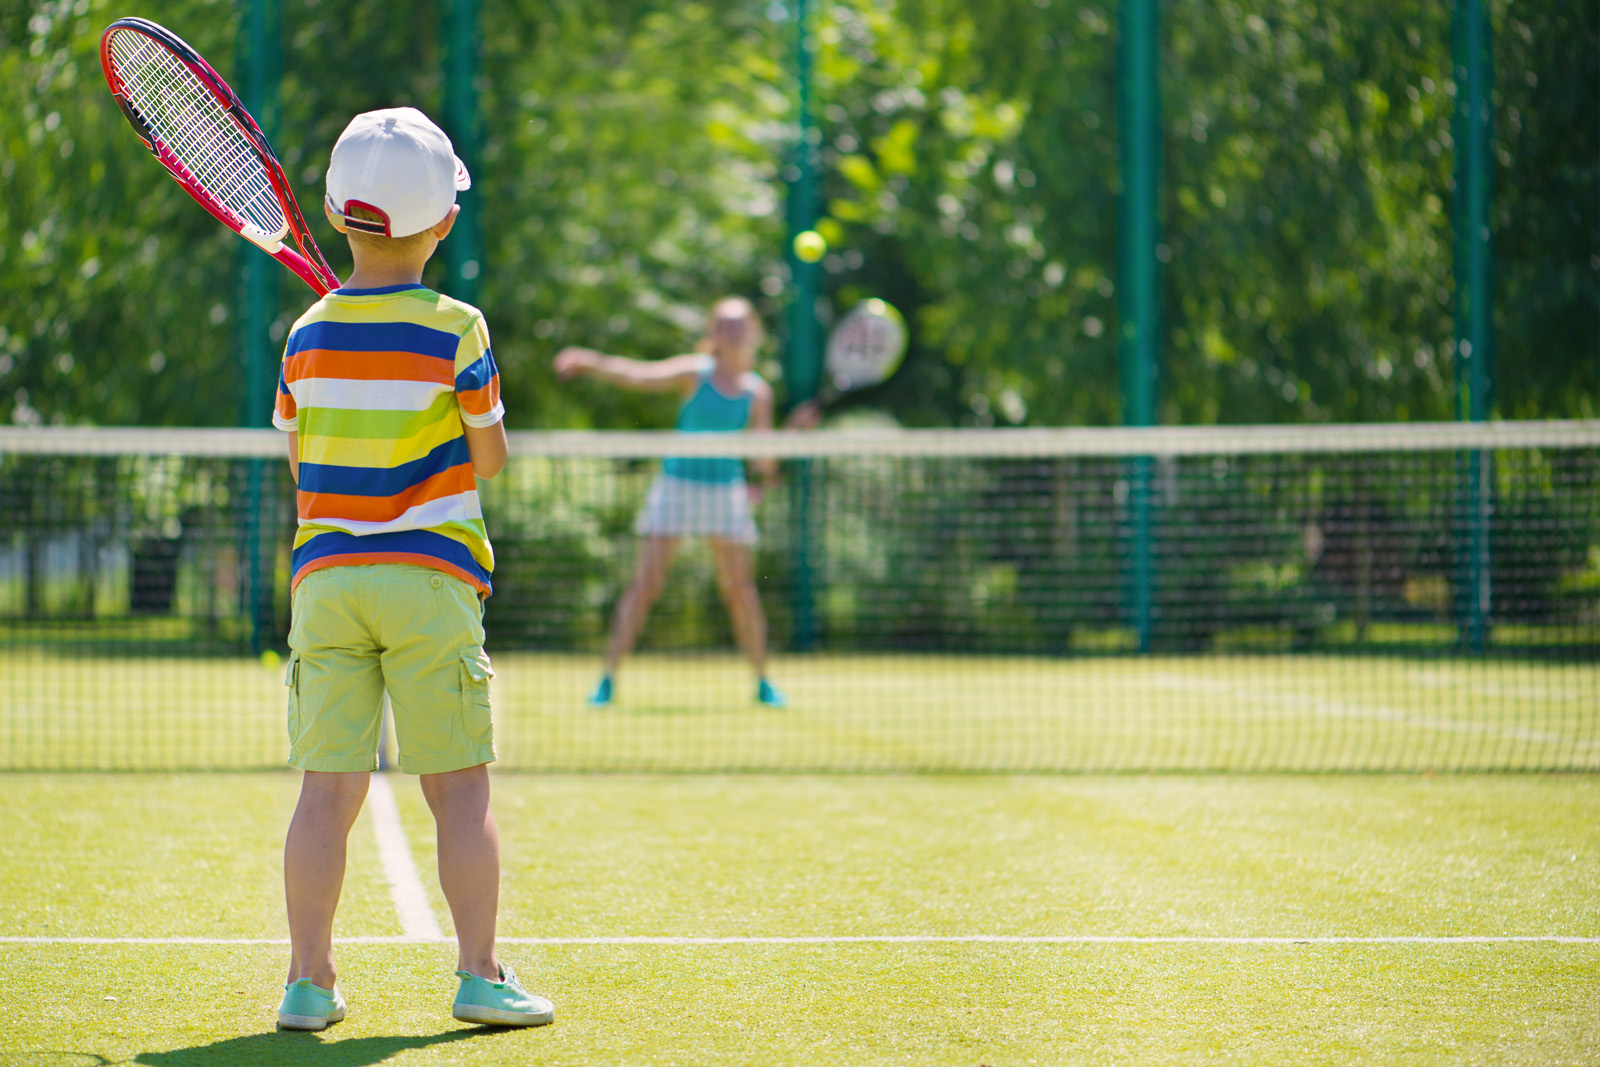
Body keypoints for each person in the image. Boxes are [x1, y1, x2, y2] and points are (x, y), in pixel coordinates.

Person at [271, 107, 551, 1032]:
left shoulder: (306, 334)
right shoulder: (458, 328)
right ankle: (480, 972)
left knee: (326, 793)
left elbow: (302, 466)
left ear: (335, 213)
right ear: (447, 222)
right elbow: (492, 458)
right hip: (430, 578)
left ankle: (309, 983)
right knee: (459, 788)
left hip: (328, 582)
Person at [554, 297, 809, 708]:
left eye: (739, 324)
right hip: (677, 488)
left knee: (741, 592)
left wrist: (793, 434)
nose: (733, 331)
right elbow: (637, 375)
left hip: (725, 492)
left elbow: (764, 460)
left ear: (753, 332)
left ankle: (763, 683)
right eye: (724, 324)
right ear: (713, 331)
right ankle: (607, 680)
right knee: (645, 586)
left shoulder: (757, 392)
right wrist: (589, 361)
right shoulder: (695, 371)